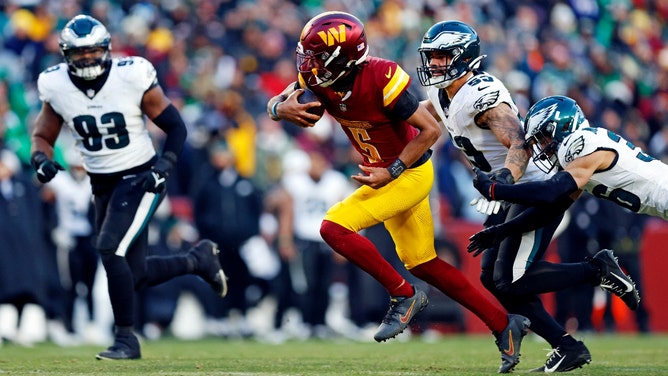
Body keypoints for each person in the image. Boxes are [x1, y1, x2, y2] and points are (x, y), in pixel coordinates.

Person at [267, 11, 530, 373]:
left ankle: (404, 295)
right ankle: (504, 325)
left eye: (316, 57)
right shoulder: (322, 76)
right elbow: (283, 99)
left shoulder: (381, 76)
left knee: (333, 227)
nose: (307, 64)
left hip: (408, 174)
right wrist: (278, 108)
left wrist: (391, 170)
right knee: (424, 263)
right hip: (387, 175)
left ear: (342, 58)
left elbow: (429, 133)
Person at [416, 21, 639, 372]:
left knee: (510, 278)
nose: (434, 64)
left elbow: (519, 141)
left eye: (442, 57)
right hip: (510, 194)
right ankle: (567, 346)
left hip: (536, 189)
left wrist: (503, 180)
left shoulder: (481, 93)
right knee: (493, 279)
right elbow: (427, 113)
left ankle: (596, 270)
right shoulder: (442, 92)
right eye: (432, 57)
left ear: (464, 58)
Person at [30, 15, 228, 360]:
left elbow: (175, 127)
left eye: (92, 51)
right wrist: (40, 160)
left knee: (109, 249)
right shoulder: (55, 84)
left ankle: (126, 339)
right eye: (79, 54)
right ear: (66, 56)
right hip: (102, 182)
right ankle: (199, 261)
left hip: (140, 176)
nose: (87, 59)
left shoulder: (130, 75)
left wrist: (164, 166)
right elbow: (43, 135)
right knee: (133, 273)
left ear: (106, 50)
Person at [470, 95, 654, 306]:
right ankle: (598, 270)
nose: (542, 147)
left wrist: (496, 190)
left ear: (563, 125)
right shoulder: (581, 153)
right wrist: (502, 230)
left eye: (543, 138)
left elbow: (549, 191)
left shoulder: (580, 144)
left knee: (509, 279)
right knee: (508, 280)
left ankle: (597, 271)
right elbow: (550, 207)